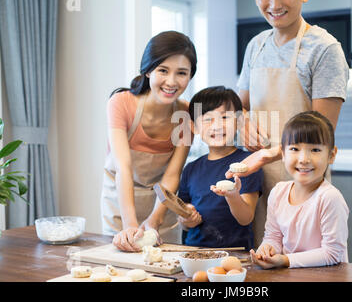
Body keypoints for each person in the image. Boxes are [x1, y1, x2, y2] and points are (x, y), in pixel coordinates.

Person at [231, 0, 349, 246]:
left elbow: (322, 133)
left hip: (303, 179)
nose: (274, 5)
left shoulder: (324, 49)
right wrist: (243, 121)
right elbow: (242, 106)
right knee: (263, 262)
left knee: (305, 263)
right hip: (257, 184)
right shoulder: (256, 46)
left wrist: (269, 154)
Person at [101, 31, 197, 252]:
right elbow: (123, 168)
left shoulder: (187, 112)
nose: (171, 82)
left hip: (162, 204)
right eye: (163, 70)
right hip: (120, 200)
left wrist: (155, 219)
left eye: (181, 73)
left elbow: (173, 174)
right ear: (147, 71)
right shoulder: (121, 103)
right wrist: (130, 225)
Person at [250, 111, 349, 268]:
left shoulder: (330, 198)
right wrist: (267, 249)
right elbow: (273, 236)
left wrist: (285, 260)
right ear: (283, 153)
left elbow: (332, 253)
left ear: (331, 155)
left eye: (315, 150)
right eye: (295, 149)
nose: (303, 159)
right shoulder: (278, 192)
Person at [177, 86, 263, 250]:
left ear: (238, 123)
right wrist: (187, 218)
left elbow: (246, 218)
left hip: (234, 254)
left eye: (225, 117)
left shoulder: (247, 163)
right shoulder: (191, 169)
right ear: (194, 127)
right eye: (207, 119)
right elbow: (184, 216)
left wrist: (232, 196)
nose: (217, 126)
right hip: (194, 252)